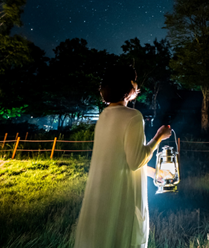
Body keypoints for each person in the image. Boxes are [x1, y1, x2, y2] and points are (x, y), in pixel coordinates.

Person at [74, 67, 174, 248]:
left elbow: (120, 158)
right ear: (127, 88)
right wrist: (159, 136)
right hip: (122, 197)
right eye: (134, 81)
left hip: (102, 198)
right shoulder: (133, 116)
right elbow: (135, 161)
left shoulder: (104, 116)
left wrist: (154, 173)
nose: (137, 85)